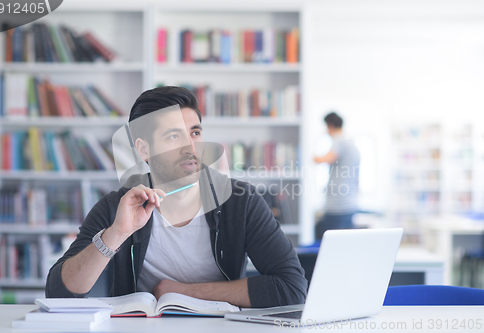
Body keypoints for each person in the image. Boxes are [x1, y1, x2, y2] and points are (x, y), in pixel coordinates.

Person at [46, 86, 307, 308]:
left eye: (195, 133)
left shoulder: (241, 201)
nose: (191, 148)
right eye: (174, 136)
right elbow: (60, 294)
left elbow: (291, 287)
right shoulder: (117, 206)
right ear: (144, 149)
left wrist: (183, 292)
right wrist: (115, 234)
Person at [313, 112, 360, 240]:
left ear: (330, 125)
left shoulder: (340, 142)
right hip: (350, 203)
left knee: (327, 241)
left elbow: (326, 158)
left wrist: (310, 156)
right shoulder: (352, 144)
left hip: (338, 206)